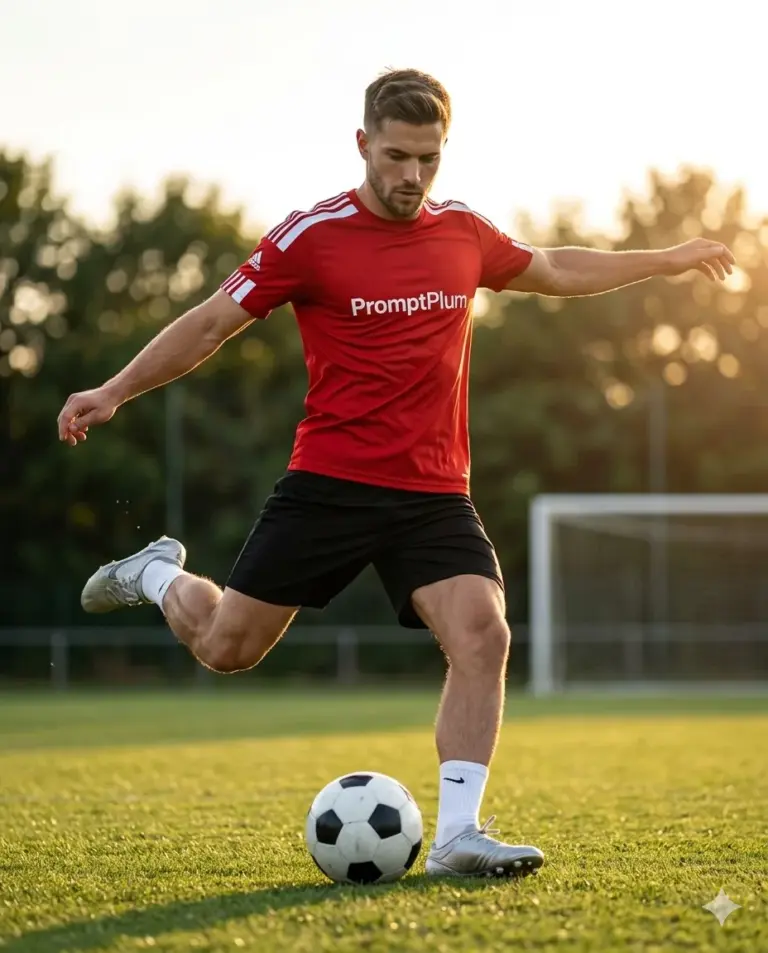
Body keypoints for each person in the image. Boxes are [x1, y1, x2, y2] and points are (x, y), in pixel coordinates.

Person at [56, 68, 734, 879]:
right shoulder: (310, 236)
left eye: (429, 158)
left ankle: (456, 834)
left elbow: (555, 267)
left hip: (433, 492)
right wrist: (115, 389)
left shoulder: (463, 234)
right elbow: (209, 323)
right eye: (397, 156)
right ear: (363, 145)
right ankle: (159, 573)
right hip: (329, 486)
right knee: (226, 647)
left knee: (484, 633)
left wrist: (668, 259)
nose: (413, 176)